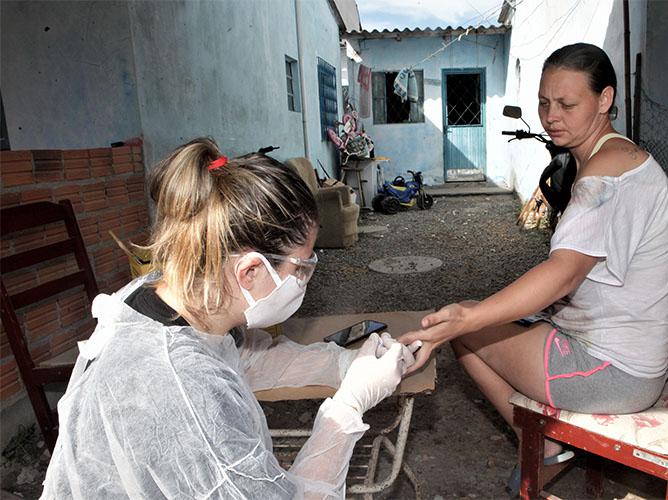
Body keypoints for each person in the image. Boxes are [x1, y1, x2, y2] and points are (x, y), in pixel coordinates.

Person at [41, 138, 415, 499]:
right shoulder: (181, 394)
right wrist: (348, 406)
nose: (305, 279)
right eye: (302, 267)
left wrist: (347, 364)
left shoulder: (177, 294)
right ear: (250, 271)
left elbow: (246, 361)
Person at [401, 42, 668, 488]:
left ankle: (540, 446)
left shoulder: (603, 179)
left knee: (467, 329)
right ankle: (545, 444)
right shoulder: (628, 157)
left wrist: (466, 316)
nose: (552, 116)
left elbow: (564, 272)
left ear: (605, 99)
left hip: (614, 371)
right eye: (545, 103)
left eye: (568, 104)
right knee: (488, 314)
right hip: (637, 352)